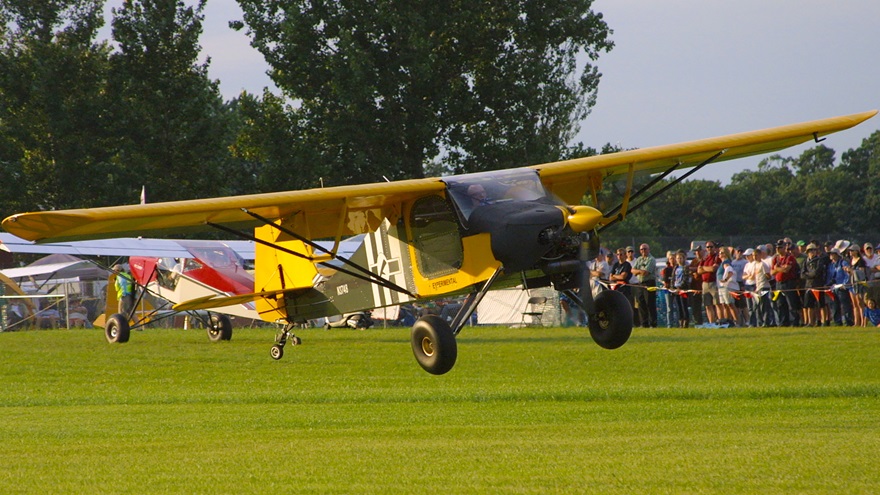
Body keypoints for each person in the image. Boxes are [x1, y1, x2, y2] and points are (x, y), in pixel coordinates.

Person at [771, 239, 801, 326]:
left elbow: (786, 269)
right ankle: (783, 322)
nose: (777, 249)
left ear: (784, 248)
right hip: (778, 283)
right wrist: (779, 269)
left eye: (780, 247)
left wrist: (777, 268)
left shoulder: (789, 257)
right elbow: (772, 272)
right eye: (777, 247)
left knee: (791, 303)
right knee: (780, 304)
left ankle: (795, 322)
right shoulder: (775, 258)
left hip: (789, 282)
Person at [632, 243, 658, 327]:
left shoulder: (651, 259)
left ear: (649, 250)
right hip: (640, 283)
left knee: (650, 303)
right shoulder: (639, 259)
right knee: (641, 303)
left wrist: (638, 271)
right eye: (641, 249)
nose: (643, 251)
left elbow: (645, 273)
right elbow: (632, 270)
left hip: (650, 283)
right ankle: (644, 323)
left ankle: (653, 323)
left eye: (645, 249)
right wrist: (640, 271)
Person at [696, 241, 720, 324]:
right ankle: (711, 323)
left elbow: (713, 269)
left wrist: (704, 268)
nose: (709, 248)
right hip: (705, 284)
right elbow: (699, 271)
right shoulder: (704, 258)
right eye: (708, 247)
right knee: (707, 305)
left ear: (714, 247)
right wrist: (707, 268)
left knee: (717, 304)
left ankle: (720, 321)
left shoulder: (717, 257)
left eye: (711, 247)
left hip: (714, 283)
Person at [845, 245, 868, 327]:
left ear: (857, 251)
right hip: (852, 283)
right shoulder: (850, 260)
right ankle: (856, 322)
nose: (850, 252)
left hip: (859, 285)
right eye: (850, 251)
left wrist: (852, 271)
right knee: (854, 305)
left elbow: (862, 273)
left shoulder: (861, 261)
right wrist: (848, 271)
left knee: (860, 303)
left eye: (852, 250)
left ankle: (863, 322)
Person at [672, 250, 690, 327]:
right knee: (678, 306)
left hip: (683, 289)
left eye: (681, 258)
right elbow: (673, 278)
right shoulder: (676, 267)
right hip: (676, 289)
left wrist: (680, 287)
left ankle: (686, 321)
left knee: (684, 305)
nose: (679, 260)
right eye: (678, 258)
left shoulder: (685, 267)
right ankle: (680, 321)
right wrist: (673, 287)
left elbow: (686, 278)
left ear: (683, 259)